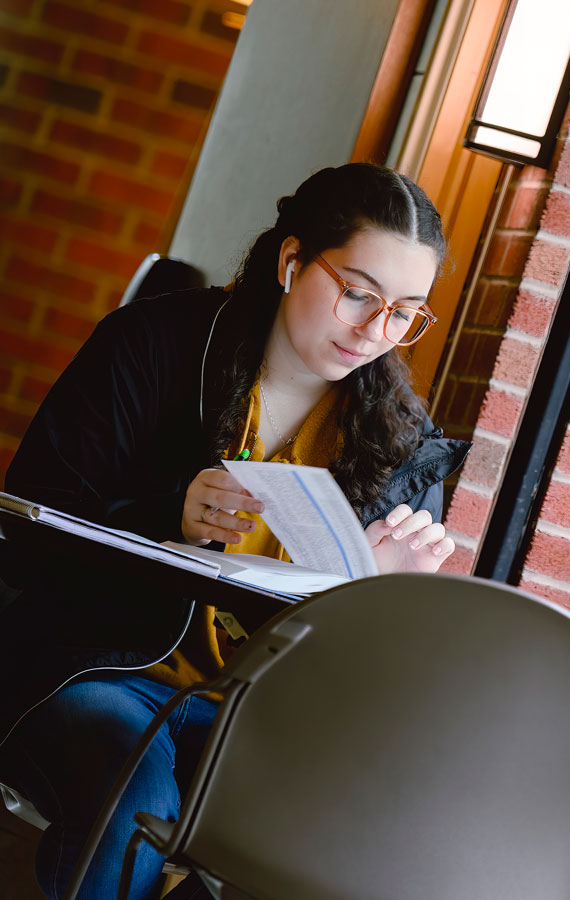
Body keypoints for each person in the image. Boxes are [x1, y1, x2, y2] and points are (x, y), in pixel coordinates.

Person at [0, 163, 470, 899]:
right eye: (356, 293)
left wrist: (372, 601)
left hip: (261, 715)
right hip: (99, 669)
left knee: (353, 839)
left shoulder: (405, 450)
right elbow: (29, 518)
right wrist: (168, 513)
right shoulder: (151, 345)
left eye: (406, 311)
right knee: (135, 799)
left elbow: (382, 674)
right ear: (290, 261)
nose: (377, 332)